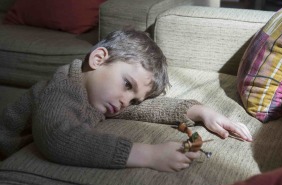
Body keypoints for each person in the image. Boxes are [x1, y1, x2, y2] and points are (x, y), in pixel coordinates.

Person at [0, 29, 252, 172]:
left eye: (133, 99)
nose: (125, 102)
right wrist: (147, 154)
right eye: (127, 85)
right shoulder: (62, 89)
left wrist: (201, 111)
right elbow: (56, 138)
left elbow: (148, 108)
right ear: (98, 59)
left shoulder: (103, 96)